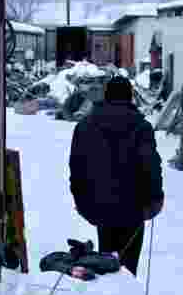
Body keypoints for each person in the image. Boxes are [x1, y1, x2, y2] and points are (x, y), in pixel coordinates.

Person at [68, 76, 164, 275]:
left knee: (106, 261)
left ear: (106, 96)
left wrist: (82, 202)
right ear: (130, 97)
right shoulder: (141, 127)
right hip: (133, 208)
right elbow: (151, 166)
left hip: (99, 206)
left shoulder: (85, 126)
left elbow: (77, 168)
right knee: (128, 266)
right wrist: (155, 199)